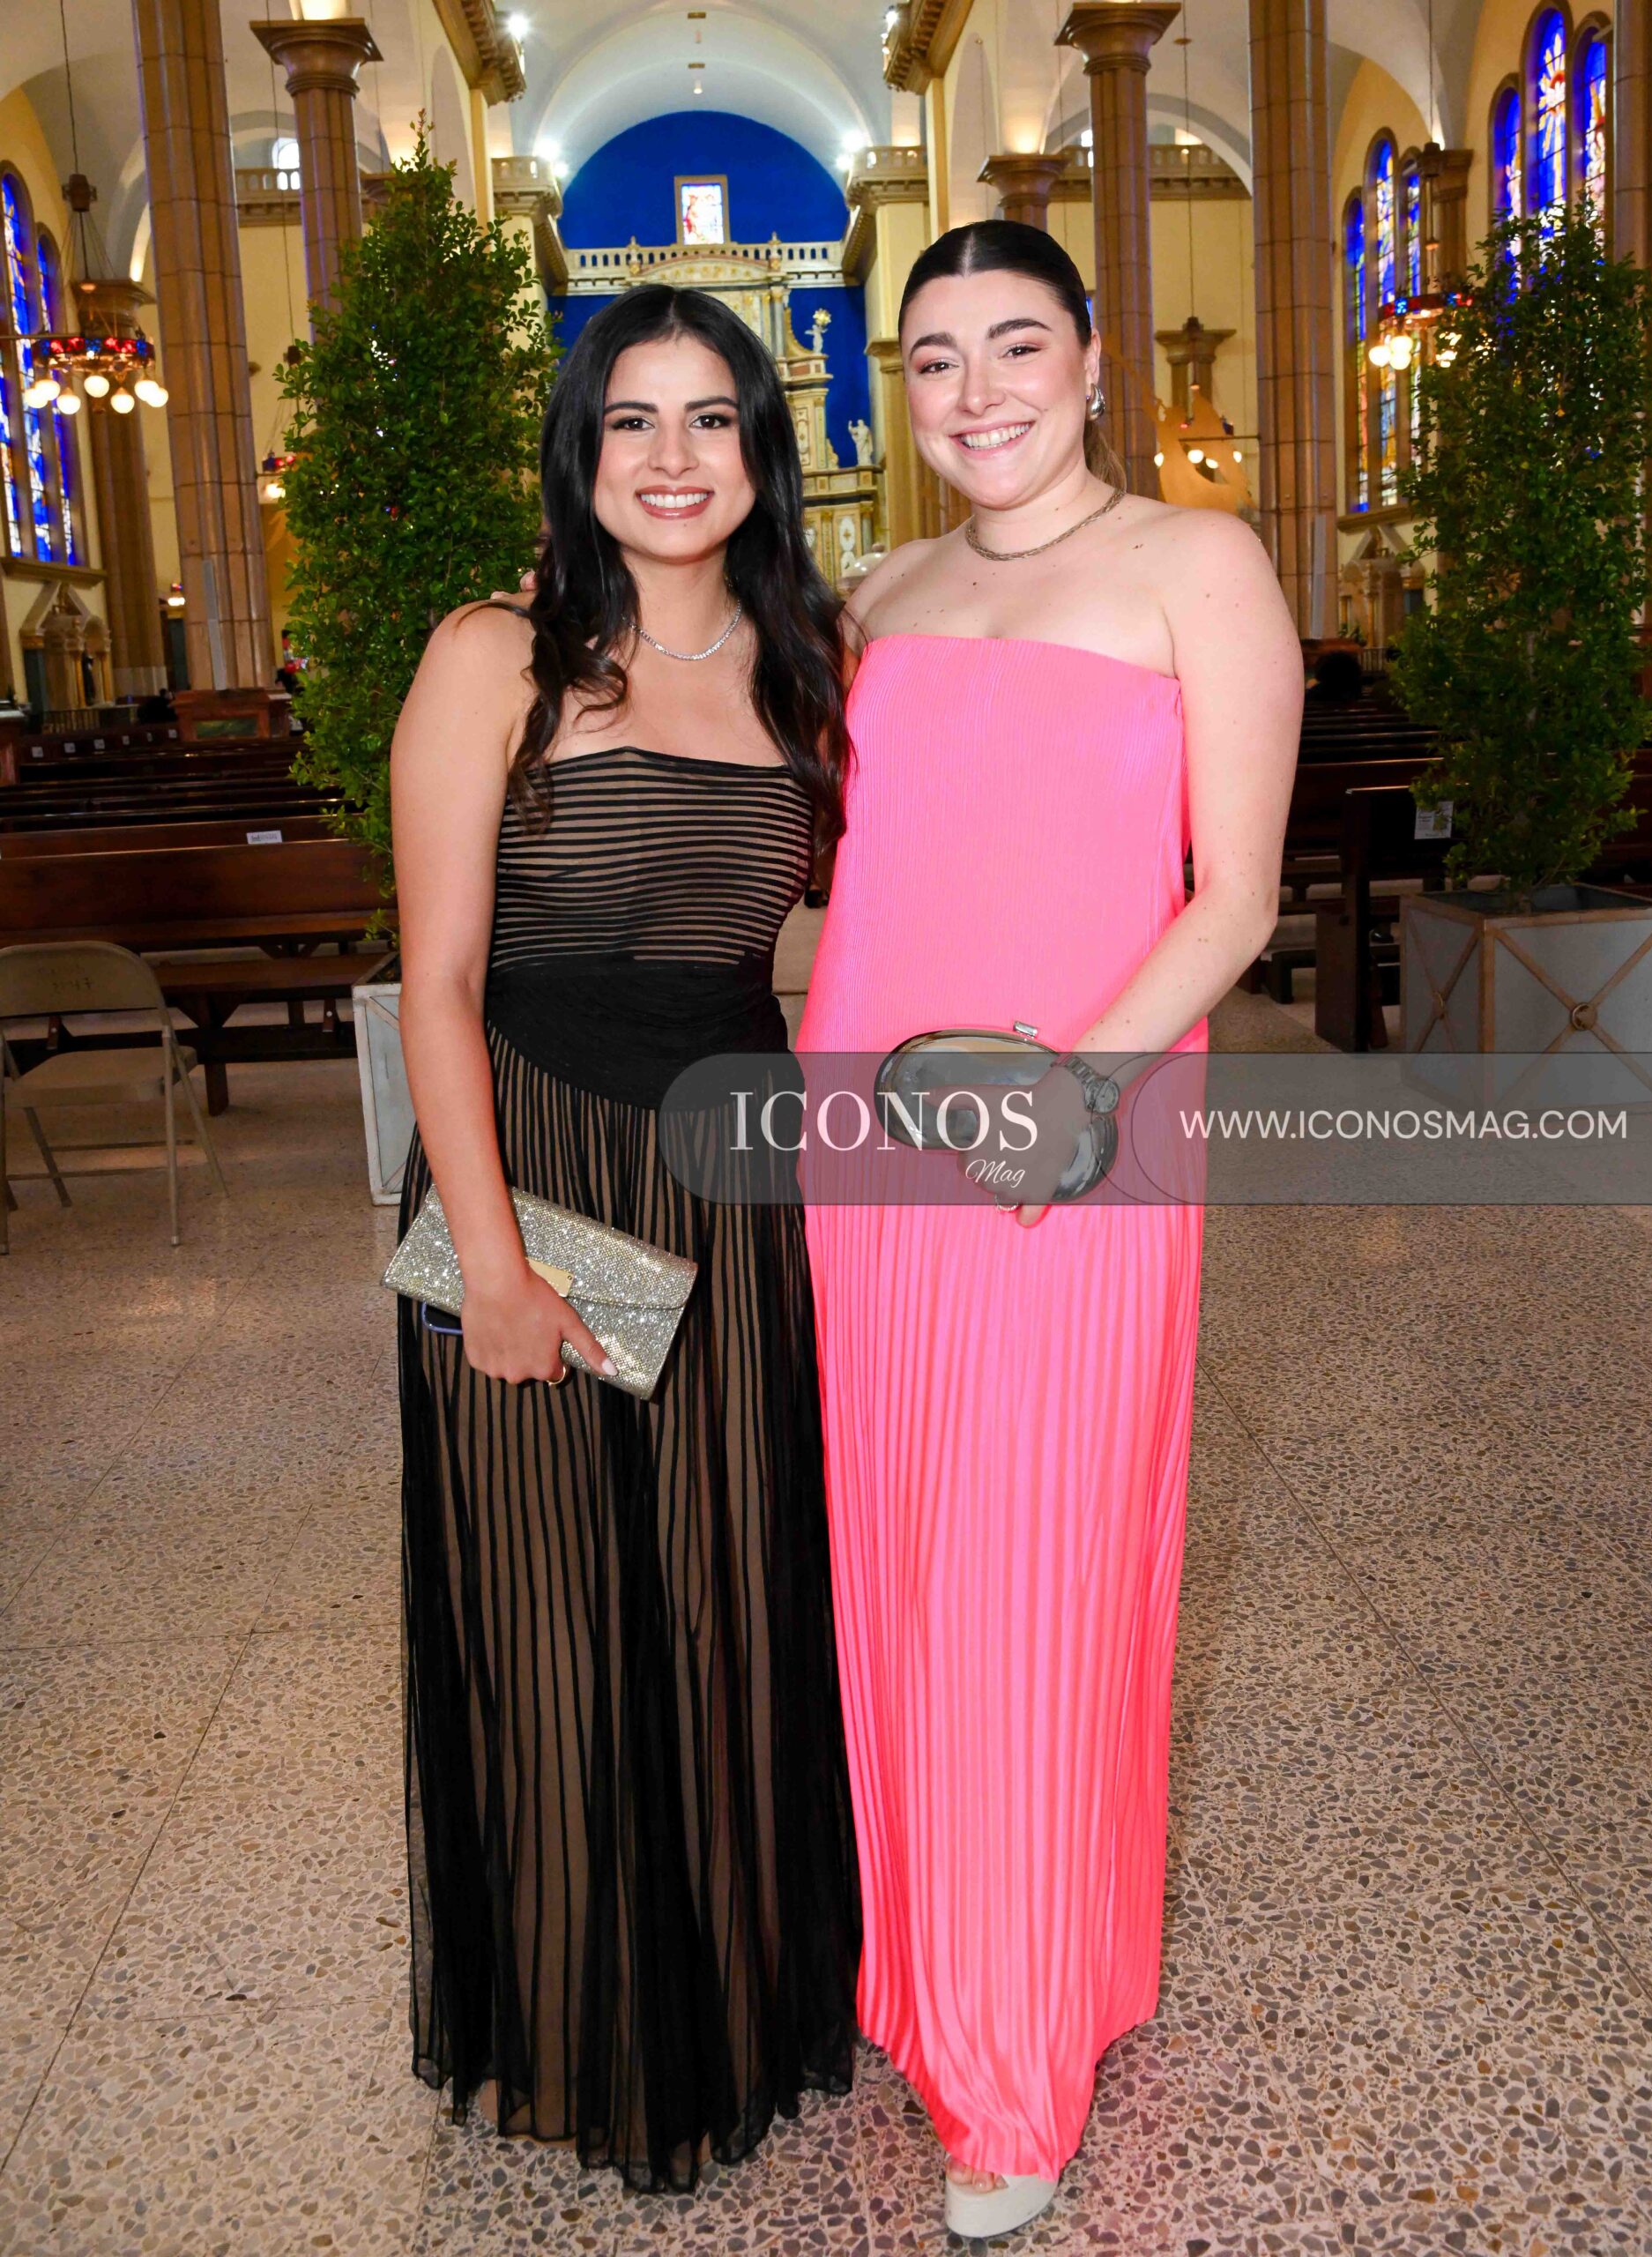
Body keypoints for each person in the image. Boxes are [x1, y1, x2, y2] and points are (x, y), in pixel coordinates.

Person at [798, 220, 1303, 2238]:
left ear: (1092, 359)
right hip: (870, 1137)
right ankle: (946, 1967)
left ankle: (1013, 2063)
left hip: (1082, 1127)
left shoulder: (1202, 564)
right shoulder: (876, 594)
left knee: (1039, 1565)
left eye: (1015, 344)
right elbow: (855, 867)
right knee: (907, 1556)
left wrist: (1069, 1089)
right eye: (933, 359)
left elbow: (1235, 893)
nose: (976, 390)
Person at [390, 283, 861, 2193]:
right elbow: (436, 986)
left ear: (763, 449)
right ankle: (580, 2022)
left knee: (731, 1596)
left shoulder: (808, 666)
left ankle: (735, 2000)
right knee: (553, 1610)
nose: (673, 458)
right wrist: (496, 1265)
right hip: (530, 1167)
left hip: (733, 1190)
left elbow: (856, 931)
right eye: (632, 420)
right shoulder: (495, 655)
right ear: (580, 451)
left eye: (712, 418)